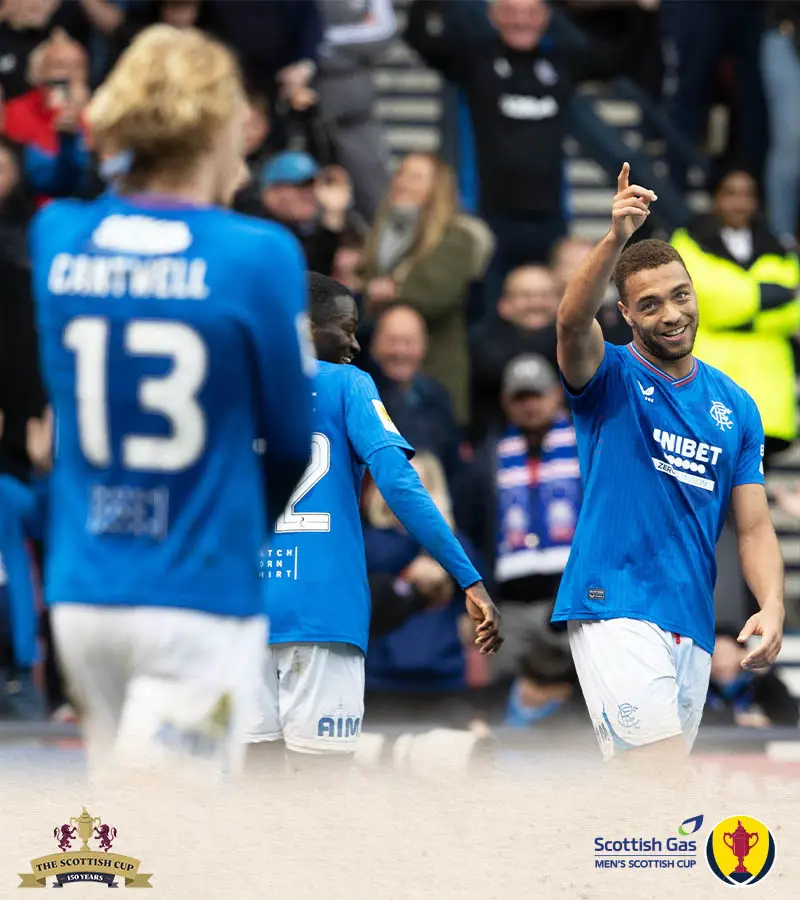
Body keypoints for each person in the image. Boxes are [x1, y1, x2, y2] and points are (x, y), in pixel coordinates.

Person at [28, 25, 314, 781]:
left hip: (84, 588)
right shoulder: (259, 254)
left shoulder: (58, 237)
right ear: (216, 129)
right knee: (169, 835)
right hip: (198, 589)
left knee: (111, 821)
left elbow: (107, 201)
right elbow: (291, 442)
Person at [552, 162, 785, 765]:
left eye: (681, 295)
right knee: (655, 774)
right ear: (627, 315)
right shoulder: (609, 374)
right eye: (650, 304)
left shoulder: (737, 405)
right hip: (614, 603)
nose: (672, 313)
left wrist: (772, 602)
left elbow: (753, 526)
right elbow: (572, 321)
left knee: (652, 792)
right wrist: (615, 238)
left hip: (692, 617)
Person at [248, 273, 502, 771]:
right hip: (323, 608)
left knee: (253, 777)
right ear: (307, 327)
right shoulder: (349, 384)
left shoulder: (232, 390)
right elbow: (401, 485)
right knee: (321, 781)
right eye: (346, 328)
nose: (356, 344)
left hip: (244, 609)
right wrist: (467, 577)